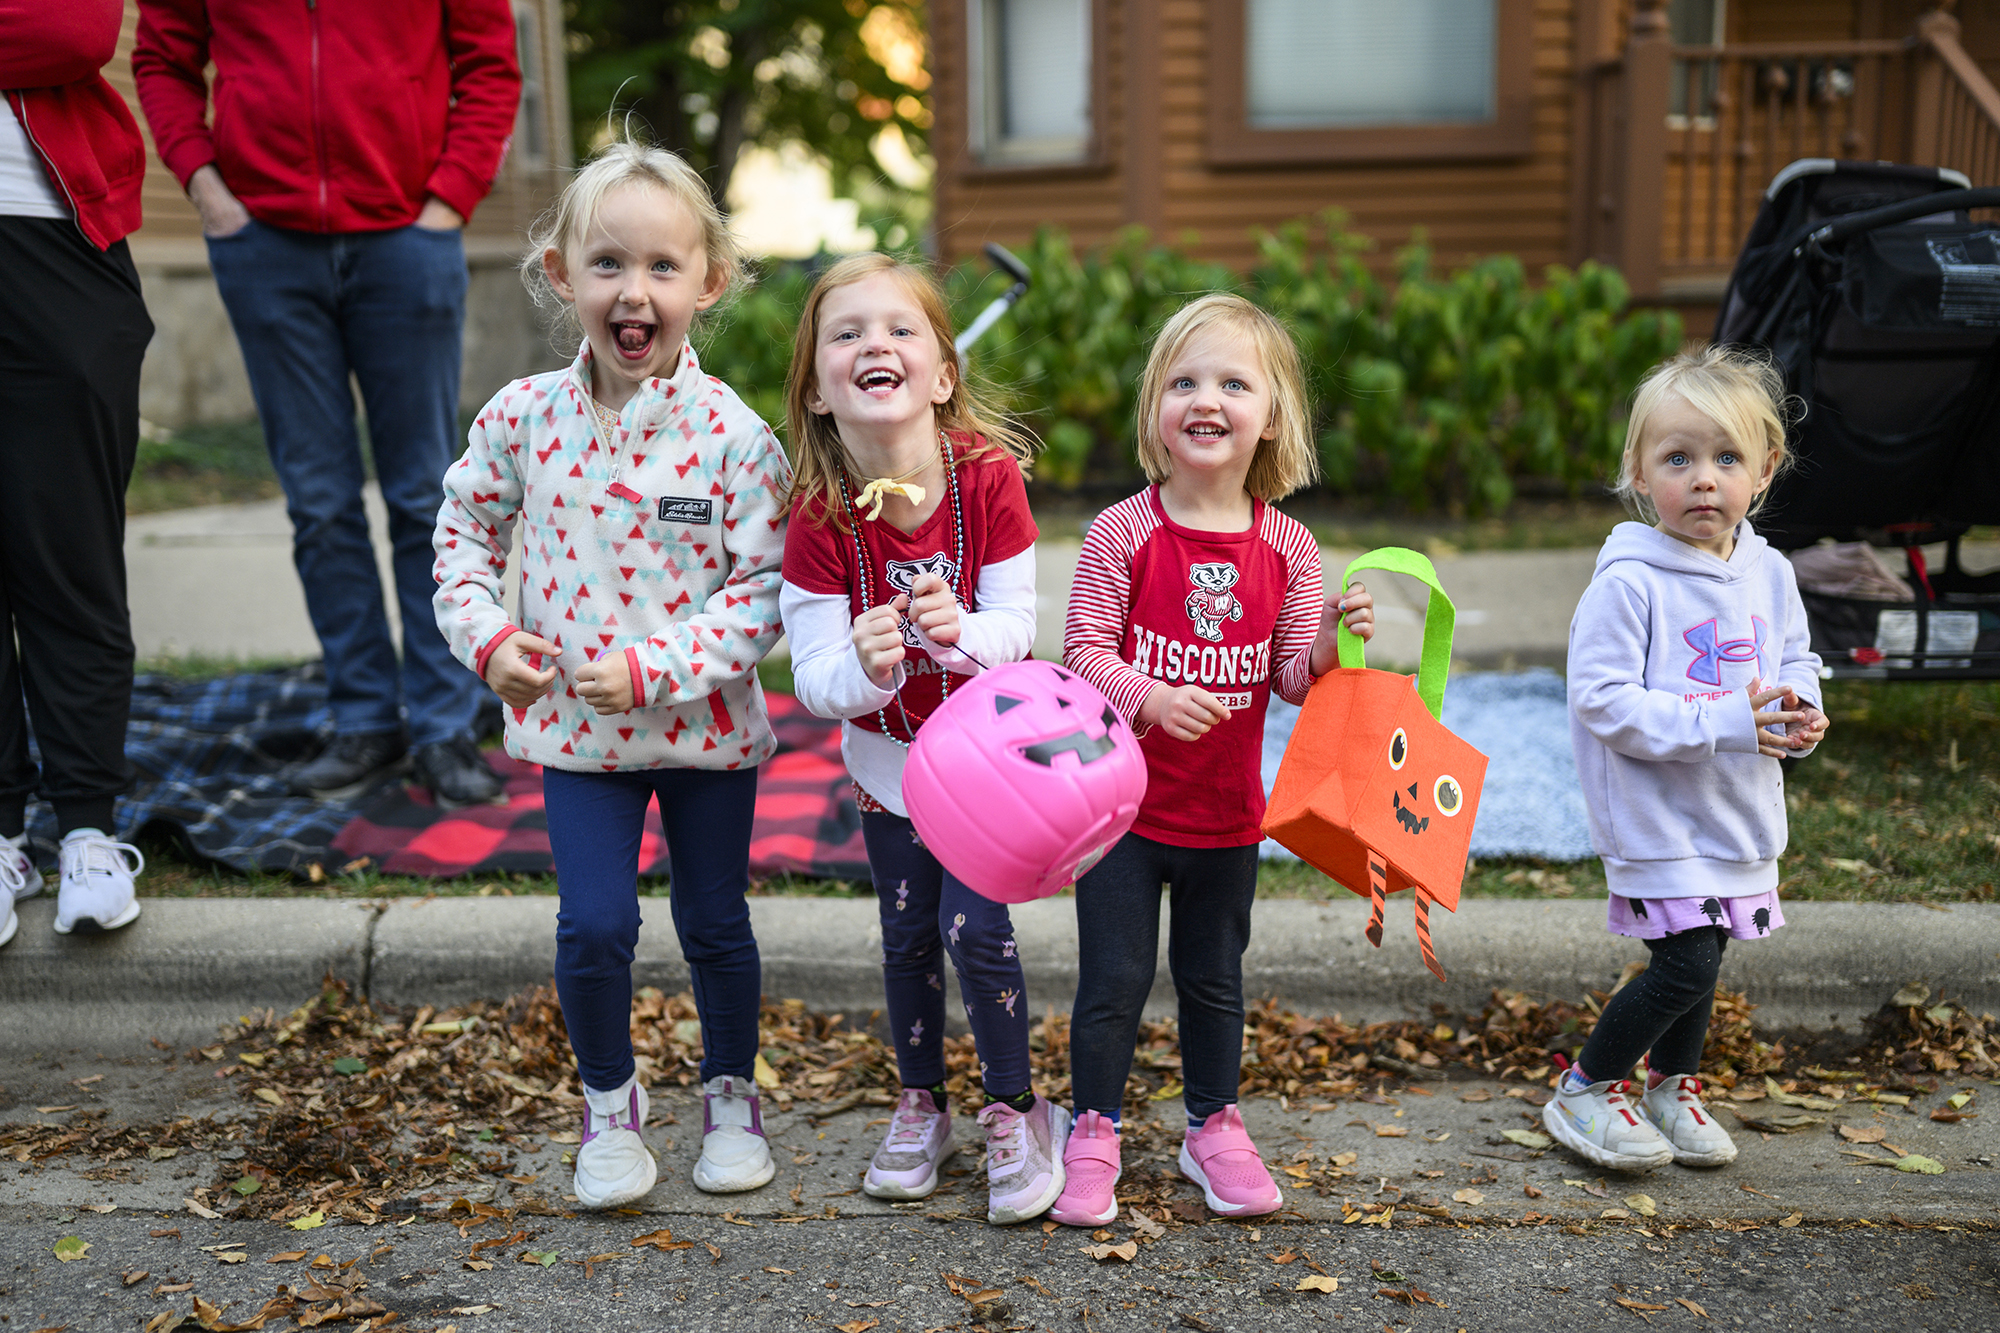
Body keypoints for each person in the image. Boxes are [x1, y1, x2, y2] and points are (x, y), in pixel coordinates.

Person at [432, 141, 790, 1207]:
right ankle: (608, 1107)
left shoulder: (736, 438)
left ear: (706, 283)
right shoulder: (519, 419)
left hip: (704, 735)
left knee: (714, 922)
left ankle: (730, 1093)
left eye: (662, 268)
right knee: (593, 925)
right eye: (607, 265)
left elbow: (760, 589)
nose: (634, 292)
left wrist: (653, 667)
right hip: (574, 741)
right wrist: (488, 638)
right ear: (560, 274)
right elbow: (460, 536)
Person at [132, 0, 522, 805]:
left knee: (425, 496)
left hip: (407, 239)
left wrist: (447, 202)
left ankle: (444, 724)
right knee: (319, 502)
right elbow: (163, 61)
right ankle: (366, 720)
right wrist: (209, 193)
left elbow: (489, 61)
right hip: (263, 243)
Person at [1054, 294, 1375, 1222]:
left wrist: (1326, 639)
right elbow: (1081, 652)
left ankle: (1213, 1125)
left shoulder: (1290, 544)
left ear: (1270, 417)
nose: (1208, 398)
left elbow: (1289, 680)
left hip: (1226, 815)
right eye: (1185, 381)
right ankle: (1093, 1128)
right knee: (1113, 980)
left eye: (1235, 383)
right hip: (1119, 811)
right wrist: (1148, 696)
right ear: (1157, 405)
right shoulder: (1123, 532)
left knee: (1214, 977)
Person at [779, 255, 1062, 1224]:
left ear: (940, 374)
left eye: (899, 329)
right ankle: (920, 1102)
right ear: (817, 391)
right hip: (888, 773)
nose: (873, 345)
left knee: (973, 931)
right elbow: (813, 678)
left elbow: (1017, 626)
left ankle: (1015, 1106)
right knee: (906, 938)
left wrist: (958, 632)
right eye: (846, 333)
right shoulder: (818, 515)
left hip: (983, 766)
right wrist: (865, 662)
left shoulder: (985, 479)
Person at [1548, 346, 1830, 1172]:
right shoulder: (1629, 583)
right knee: (1686, 961)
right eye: (1678, 458)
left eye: (1726, 457)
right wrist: (1728, 721)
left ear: (1765, 469)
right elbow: (1603, 701)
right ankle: (1587, 1087)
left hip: (1733, 808)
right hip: (1657, 814)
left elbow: (1795, 657)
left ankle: (1674, 1081)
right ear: (1639, 470)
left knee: (1711, 954)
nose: (1704, 478)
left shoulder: (1769, 572)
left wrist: (1805, 704)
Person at [0, 0, 155, 944]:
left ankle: (88, 830)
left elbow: (77, 30)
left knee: (70, 555)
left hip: (53, 246)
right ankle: (1, 831)